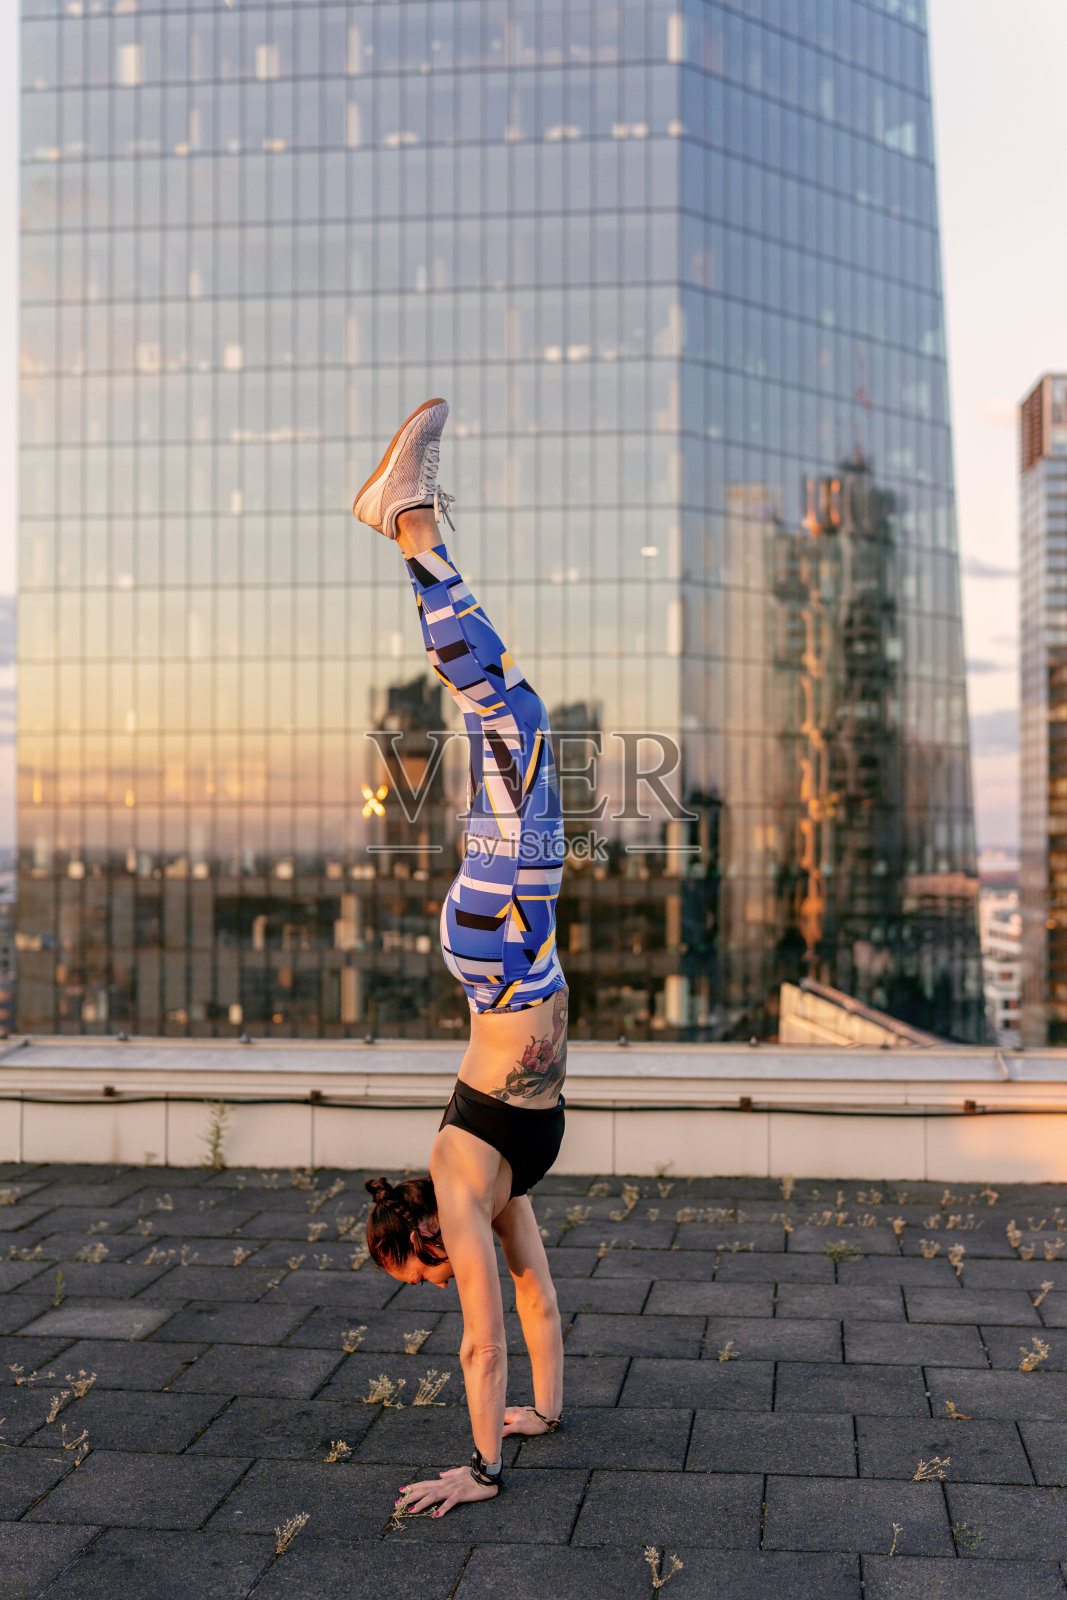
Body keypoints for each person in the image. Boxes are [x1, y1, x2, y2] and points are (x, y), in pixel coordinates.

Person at [353, 399, 568, 1517]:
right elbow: (527, 1306)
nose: (437, 1280)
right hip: (522, 949)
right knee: (518, 712)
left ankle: (408, 521)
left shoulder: (457, 1169)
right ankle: (410, 524)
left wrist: (476, 1470)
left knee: (509, 712)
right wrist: (541, 1413)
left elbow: (473, 1341)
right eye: (427, 1279)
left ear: (423, 1231)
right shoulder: (493, 1198)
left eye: (419, 1267)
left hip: (493, 953)